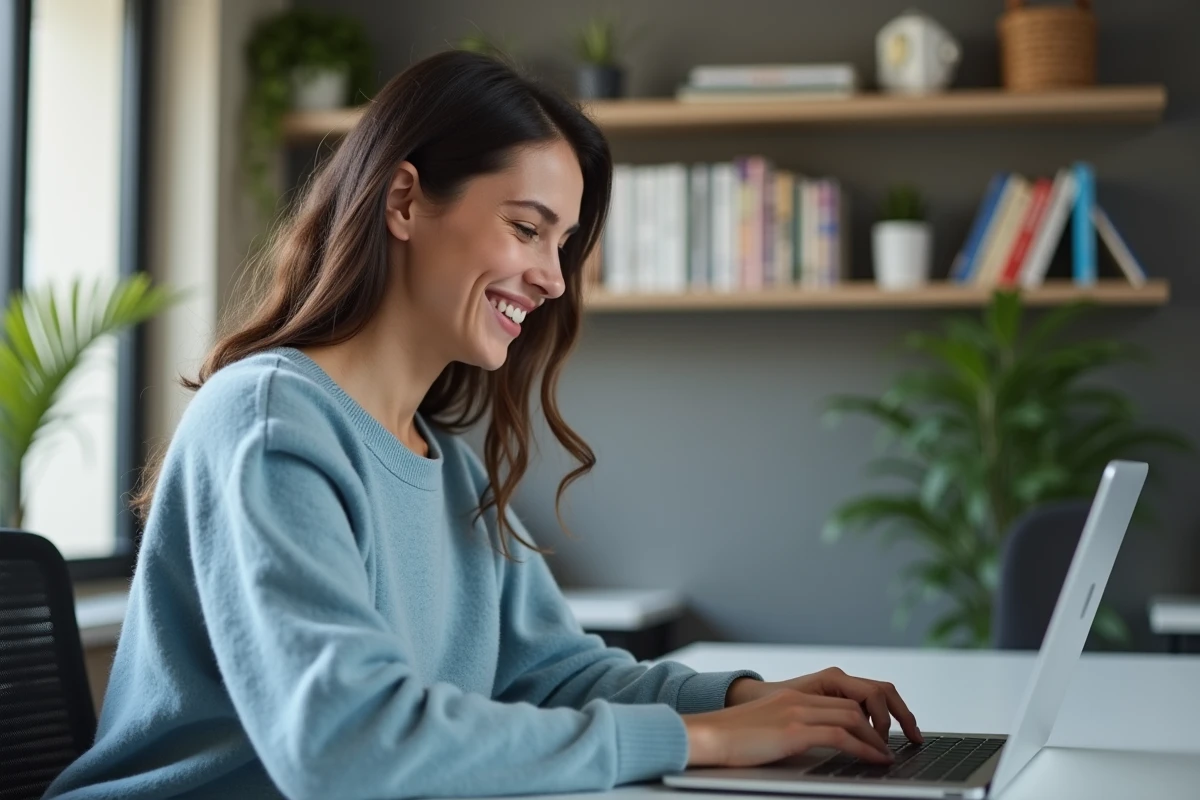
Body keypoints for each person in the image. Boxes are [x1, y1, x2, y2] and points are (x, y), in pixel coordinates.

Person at [45, 50, 921, 800]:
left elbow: (554, 675)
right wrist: (700, 743)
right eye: (527, 229)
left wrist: (743, 700)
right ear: (403, 202)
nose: (553, 280)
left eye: (563, 245)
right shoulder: (272, 422)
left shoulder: (449, 468)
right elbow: (344, 741)